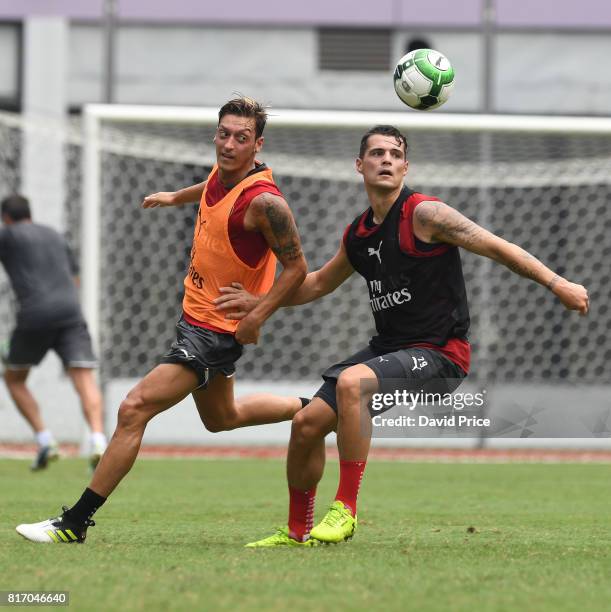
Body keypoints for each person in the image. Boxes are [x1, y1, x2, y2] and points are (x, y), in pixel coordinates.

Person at [213, 125, 590, 547]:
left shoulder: (426, 215)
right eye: (376, 153)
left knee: (355, 383)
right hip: (391, 349)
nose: (386, 159)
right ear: (359, 165)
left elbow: (498, 247)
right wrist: (260, 302)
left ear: (406, 166)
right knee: (306, 424)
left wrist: (558, 283)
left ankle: (346, 512)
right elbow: (318, 284)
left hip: (441, 354)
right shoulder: (358, 234)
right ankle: (297, 533)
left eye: (395, 154)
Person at [15, 96, 308, 544]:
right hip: (194, 320)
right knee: (222, 418)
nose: (229, 144)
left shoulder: (266, 203)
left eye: (241, 138)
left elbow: (297, 269)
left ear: (258, 144)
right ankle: (312, 408)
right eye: (224, 134)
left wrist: (257, 309)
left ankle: (74, 522)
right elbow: (210, 188)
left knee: (134, 408)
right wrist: (175, 197)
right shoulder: (221, 172)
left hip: (214, 332)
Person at [0, 194, 107, 472]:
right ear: (30, 213)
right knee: (83, 377)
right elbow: (74, 278)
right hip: (71, 311)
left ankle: (45, 439)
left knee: (14, 378)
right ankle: (98, 440)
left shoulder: (8, 235)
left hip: (35, 314)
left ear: (6, 218)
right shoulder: (55, 235)